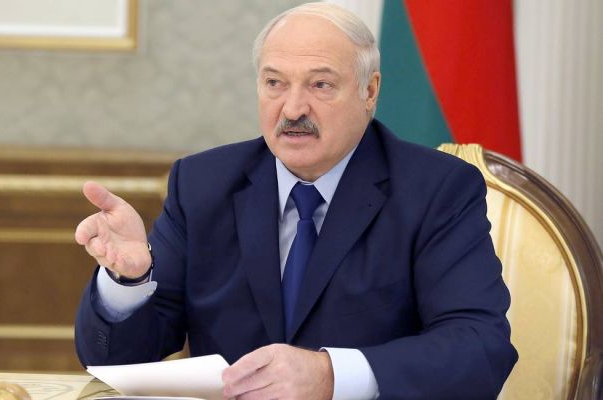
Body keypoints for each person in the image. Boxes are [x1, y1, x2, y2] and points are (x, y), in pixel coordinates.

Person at [74, 3, 517, 399]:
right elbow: (117, 363)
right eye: (275, 83)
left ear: (369, 91)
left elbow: (479, 349)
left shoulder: (437, 190)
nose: (292, 109)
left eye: (320, 85)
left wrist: (331, 376)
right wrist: (128, 283)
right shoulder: (203, 184)